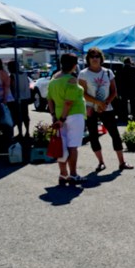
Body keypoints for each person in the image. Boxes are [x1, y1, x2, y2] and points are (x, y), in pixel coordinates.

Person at [79, 47, 133, 173]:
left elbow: (114, 91)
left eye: (97, 56)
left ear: (101, 58)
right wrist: (97, 103)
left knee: (115, 134)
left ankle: (122, 162)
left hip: (107, 108)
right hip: (91, 108)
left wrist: (106, 103)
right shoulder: (83, 74)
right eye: (92, 56)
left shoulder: (108, 72)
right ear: (88, 59)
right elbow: (83, 93)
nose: (94, 59)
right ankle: (101, 162)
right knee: (93, 135)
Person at [47, 53, 86, 186]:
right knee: (72, 147)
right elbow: (69, 102)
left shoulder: (53, 79)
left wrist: (55, 116)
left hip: (58, 116)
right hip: (73, 115)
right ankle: (73, 174)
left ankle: (63, 174)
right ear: (75, 65)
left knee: (61, 145)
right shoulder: (71, 79)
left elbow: (49, 99)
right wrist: (63, 118)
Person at [7, 61, 32, 137]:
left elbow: (12, 88)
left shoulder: (12, 76)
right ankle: (27, 132)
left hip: (17, 99)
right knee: (25, 115)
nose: (8, 69)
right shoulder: (24, 74)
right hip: (26, 97)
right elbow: (28, 84)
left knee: (18, 116)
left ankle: (20, 133)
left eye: (8, 67)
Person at [115, 57, 135, 123]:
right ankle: (134, 116)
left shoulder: (121, 69)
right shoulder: (133, 68)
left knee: (124, 103)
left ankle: (125, 116)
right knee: (133, 103)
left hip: (123, 89)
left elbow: (117, 79)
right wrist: (134, 65)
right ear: (130, 62)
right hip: (132, 88)